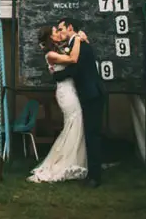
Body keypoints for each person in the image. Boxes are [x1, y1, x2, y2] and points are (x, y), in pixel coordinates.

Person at [49, 17, 107, 188]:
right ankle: (92, 171)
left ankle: (95, 177)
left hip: (92, 94)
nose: (60, 33)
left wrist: (56, 76)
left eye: (61, 29)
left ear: (70, 27)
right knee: (91, 133)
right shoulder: (77, 43)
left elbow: (75, 69)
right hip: (90, 93)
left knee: (92, 134)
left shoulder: (79, 44)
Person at [26, 25, 88, 184]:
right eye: (55, 32)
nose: (58, 33)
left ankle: (75, 159)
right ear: (50, 37)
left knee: (76, 123)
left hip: (71, 90)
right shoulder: (50, 55)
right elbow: (73, 59)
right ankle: (64, 160)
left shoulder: (59, 50)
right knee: (73, 122)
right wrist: (78, 41)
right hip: (65, 92)